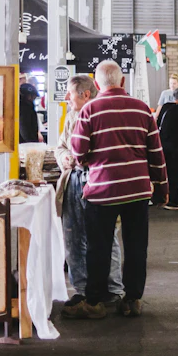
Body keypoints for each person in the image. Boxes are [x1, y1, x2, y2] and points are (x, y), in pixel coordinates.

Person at [67, 61, 165, 319]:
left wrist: (87, 160)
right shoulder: (143, 110)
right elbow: (156, 152)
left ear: (97, 85)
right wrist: (162, 187)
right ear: (122, 82)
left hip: (102, 191)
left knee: (97, 247)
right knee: (135, 247)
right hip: (137, 191)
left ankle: (95, 303)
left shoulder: (89, 110)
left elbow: (78, 151)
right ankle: (132, 300)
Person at [54, 74, 124, 315]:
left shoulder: (101, 114)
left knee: (104, 237)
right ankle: (82, 289)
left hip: (98, 182)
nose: (66, 98)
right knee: (73, 237)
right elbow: (61, 145)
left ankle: (113, 289)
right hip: (72, 180)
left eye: (70, 93)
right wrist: (63, 157)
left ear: (85, 94)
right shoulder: (72, 116)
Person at [19, 74, 41, 144]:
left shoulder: (24, 107)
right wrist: (33, 144)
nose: (34, 99)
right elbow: (24, 129)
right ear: (29, 96)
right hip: (25, 145)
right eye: (33, 97)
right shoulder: (25, 109)